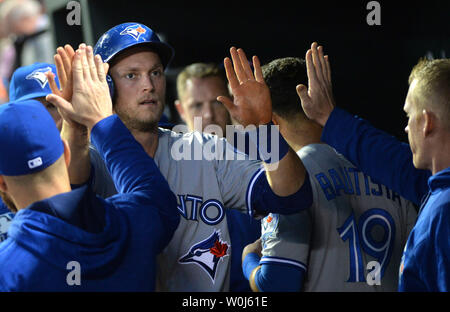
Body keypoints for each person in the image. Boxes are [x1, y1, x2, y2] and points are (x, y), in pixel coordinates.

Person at [47, 22, 312, 291]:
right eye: (131, 76)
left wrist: (264, 129)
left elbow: (290, 196)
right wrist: (77, 124)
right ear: (106, 86)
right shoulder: (90, 158)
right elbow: (66, 193)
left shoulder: (202, 149)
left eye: (155, 73)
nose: (149, 85)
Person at [0, 46, 179, 291]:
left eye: (53, 105)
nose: (52, 116)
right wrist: (99, 121)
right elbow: (154, 196)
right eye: (41, 107)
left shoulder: (8, 271)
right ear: (65, 152)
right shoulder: (129, 223)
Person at [241, 52, 417, 291]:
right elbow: (416, 271)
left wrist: (248, 258)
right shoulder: (385, 167)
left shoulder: (287, 182)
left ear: (272, 122)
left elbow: (277, 284)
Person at [297, 43, 449, 291]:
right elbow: (394, 161)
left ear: (427, 123)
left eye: (409, 116)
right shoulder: (438, 191)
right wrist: (330, 117)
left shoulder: (445, 211)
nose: (406, 129)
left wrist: (249, 259)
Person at [175, 62, 261, 291]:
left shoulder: (261, 160)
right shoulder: (166, 169)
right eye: (196, 105)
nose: (208, 114)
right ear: (180, 110)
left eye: (216, 102)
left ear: (231, 103)